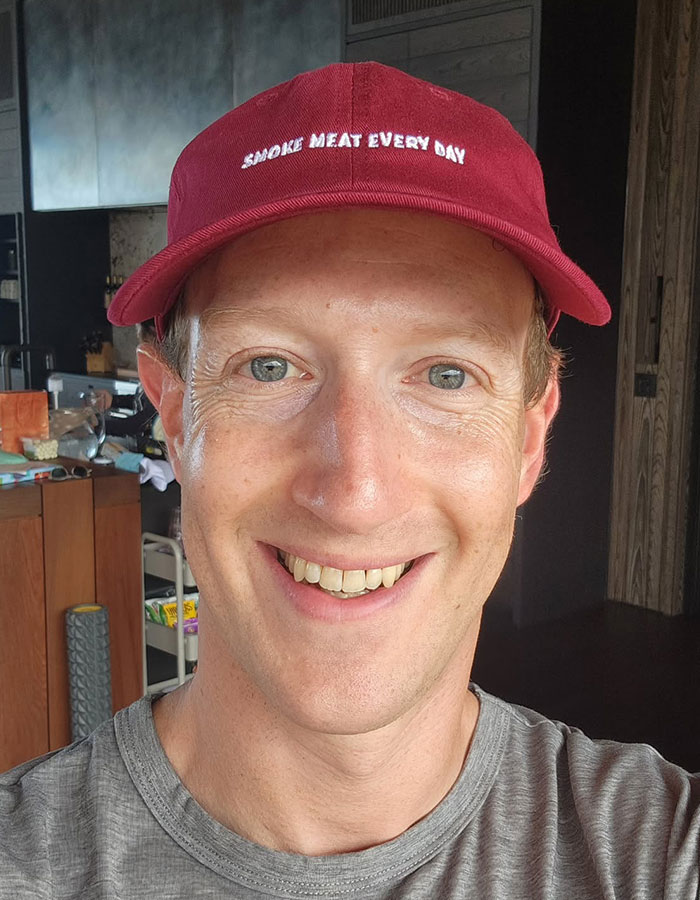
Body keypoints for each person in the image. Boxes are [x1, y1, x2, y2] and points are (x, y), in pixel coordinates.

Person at [1, 62, 698, 899]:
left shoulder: (657, 856)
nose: (355, 490)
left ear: (528, 437)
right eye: (270, 366)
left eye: (445, 375)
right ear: (176, 418)